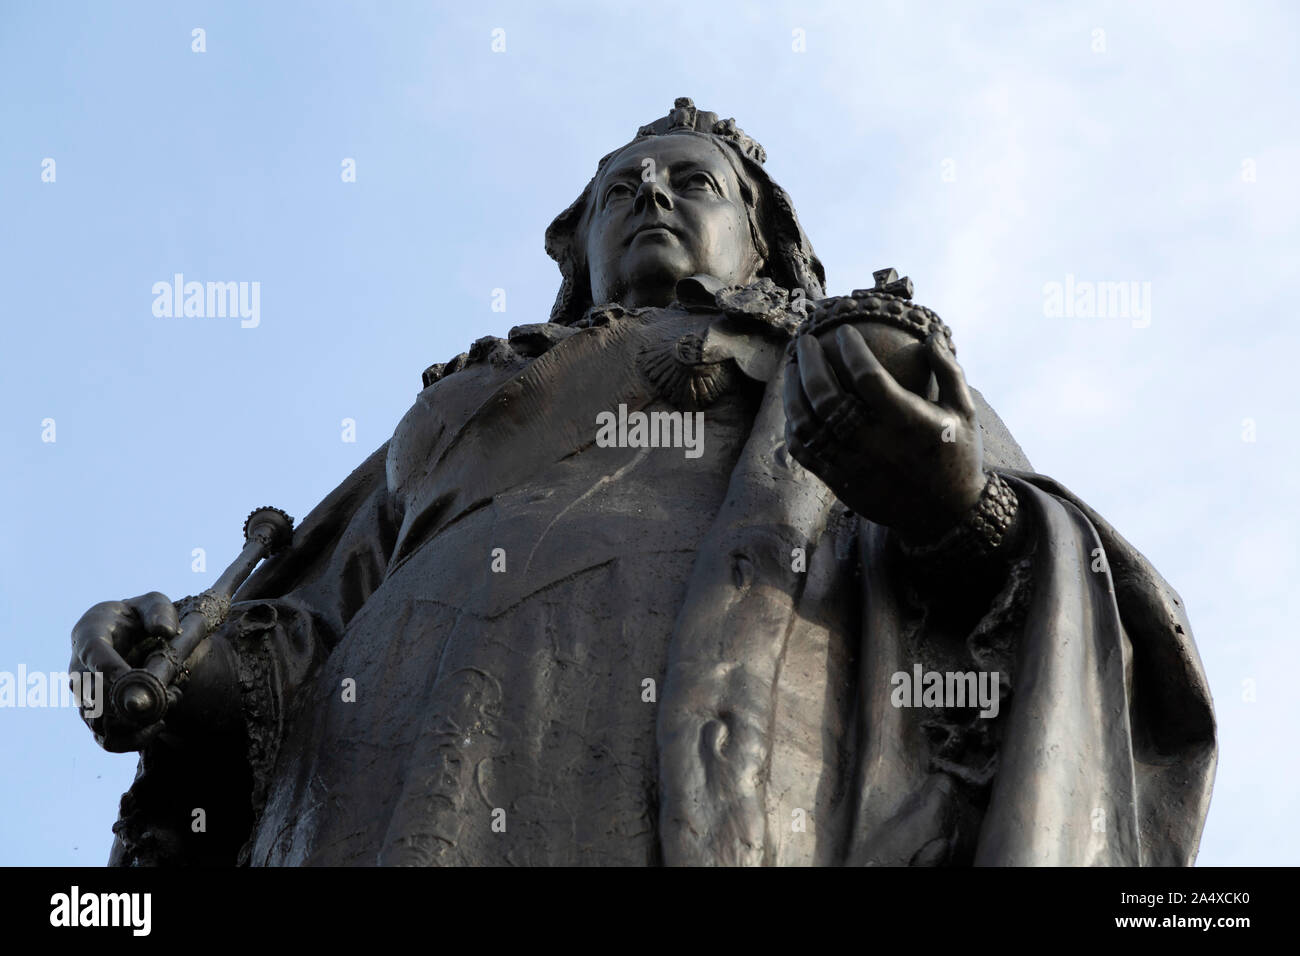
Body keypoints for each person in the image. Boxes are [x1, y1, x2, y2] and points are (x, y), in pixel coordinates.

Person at [71, 98, 1216, 866]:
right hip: (389, 783)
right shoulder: (449, 411)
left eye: (690, 184)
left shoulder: (845, 357)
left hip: (743, 761)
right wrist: (174, 665)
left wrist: (953, 500)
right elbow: (290, 641)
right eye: (624, 190)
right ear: (577, 252)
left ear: (764, 244)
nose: (653, 197)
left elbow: (1062, 588)